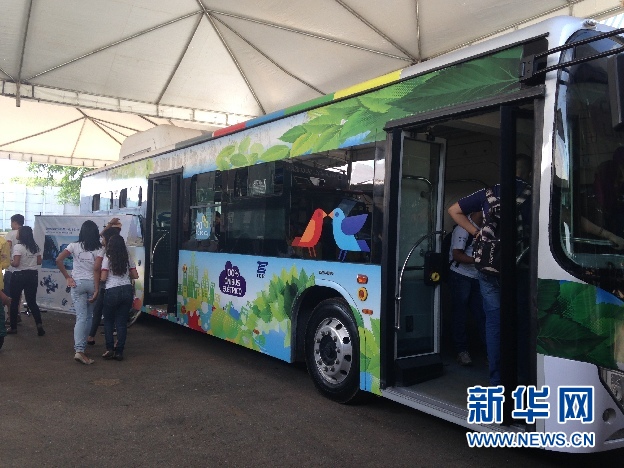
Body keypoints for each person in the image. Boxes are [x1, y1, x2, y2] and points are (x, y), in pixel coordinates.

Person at [448, 154, 532, 386]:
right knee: (521, 322)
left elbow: (453, 210)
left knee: (494, 323)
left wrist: (477, 233)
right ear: (529, 173)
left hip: (488, 268)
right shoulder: (533, 194)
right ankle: (522, 376)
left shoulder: (489, 193)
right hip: (519, 268)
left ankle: (497, 379)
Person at [56, 220, 104, 365]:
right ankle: (81, 349)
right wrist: (97, 289)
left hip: (77, 284)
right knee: (89, 316)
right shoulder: (100, 249)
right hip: (93, 284)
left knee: (81, 317)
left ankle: (79, 349)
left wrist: (67, 277)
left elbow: (58, 260)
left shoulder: (74, 246)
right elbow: (97, 269)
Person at [448, 211, 486, 366]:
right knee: (460, 313)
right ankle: (461, 350)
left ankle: (490, 351)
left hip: (478, 276)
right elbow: (457, 255)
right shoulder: (462, 228)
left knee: (482, 314)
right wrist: (480, 261)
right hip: (461, 275)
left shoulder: (487, 227)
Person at [100, 233, 138, 361]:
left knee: (109, 321)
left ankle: (110, 349)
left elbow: (103, 277)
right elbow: (135, 275)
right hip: (126, 290)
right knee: (121, 322)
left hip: (112, 290)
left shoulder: (107, 258)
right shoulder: (127, 258)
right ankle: (119, 352)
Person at [87, 219, 122, 346]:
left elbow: (97, 268)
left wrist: (109, 224)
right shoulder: (122, 250)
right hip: (120, 286)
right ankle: (118, 340)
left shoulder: (103, 251)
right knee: (117, 313)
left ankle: (91, 336)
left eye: (104, 238)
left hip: (105, 284)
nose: (102, 239)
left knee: (99, 311)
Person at [6, 226, 45, 336]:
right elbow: (39, 262)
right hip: (32, 275)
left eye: (18, 232)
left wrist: (9, 261)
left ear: (22, 235)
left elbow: (16, 263)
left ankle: (13, 327)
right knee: (32, 301)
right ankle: (39, 325)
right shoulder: (35, 247)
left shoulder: (18, 247)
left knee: (14, 301)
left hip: (19, 275)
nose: (17, 234)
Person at [4, 214, 24, 323]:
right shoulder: (28, 233)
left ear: (14, 222)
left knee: (8, 293)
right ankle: (17, 313)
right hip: (23, 269)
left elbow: (7, 249)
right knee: (18, 293)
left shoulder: (11, 234)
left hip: (11, 268)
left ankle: (10, 316)